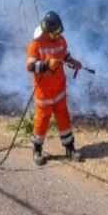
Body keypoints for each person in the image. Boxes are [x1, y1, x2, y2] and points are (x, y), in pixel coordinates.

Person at [26, 10, 83, 165]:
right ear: (47, 30)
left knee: (64, 118)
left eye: (59, 33)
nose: (58, 36)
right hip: (44, 93)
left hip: (59, 90)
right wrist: (46, 65)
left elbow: (64, 55)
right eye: (55, 33)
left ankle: (70, 147)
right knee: (42, 120)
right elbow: (30, 66)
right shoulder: (36, 44)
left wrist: (73, 62)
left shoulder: (60, 40)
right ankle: (37, 149)